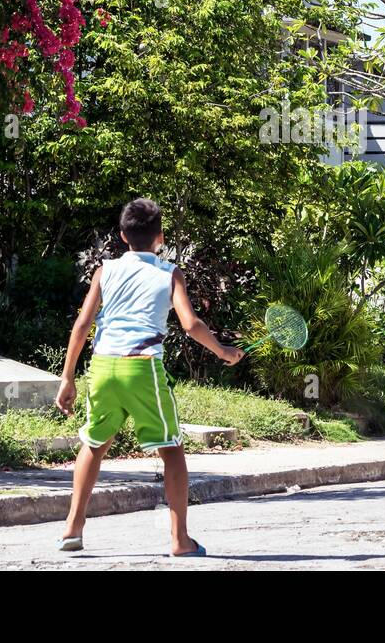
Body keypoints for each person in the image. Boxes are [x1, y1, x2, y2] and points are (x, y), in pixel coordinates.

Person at [54, 198, 244, 554]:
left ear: (123, 236)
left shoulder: (104, 271)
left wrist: (67, 377)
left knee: (94, 443)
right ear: (160, 237)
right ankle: (179, 540)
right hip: (142, 368)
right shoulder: (169, 273)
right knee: (171, 449)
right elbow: (191, 324)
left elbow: (82, 325)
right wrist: (224, 352)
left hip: (103, 367)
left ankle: (72, 529)